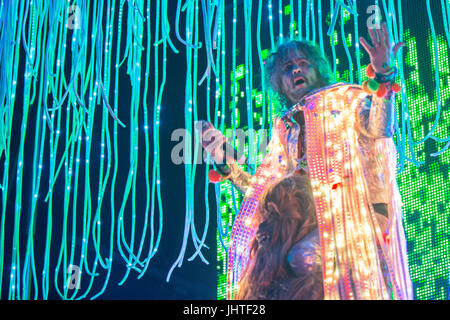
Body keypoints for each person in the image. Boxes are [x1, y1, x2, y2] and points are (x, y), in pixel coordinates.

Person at [201, 22, 413, 300]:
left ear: (318, 69)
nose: (296, 70)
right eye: (287, 69)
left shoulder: (346, 100)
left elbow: (380, 129)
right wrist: (228, 166)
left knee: (301, 257)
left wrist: (385, 76)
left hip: (355, 218)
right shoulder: (286, 131)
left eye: (302, 63)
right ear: (279, 85)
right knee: (261, 277)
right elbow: (266, 197)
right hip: (310, 225)